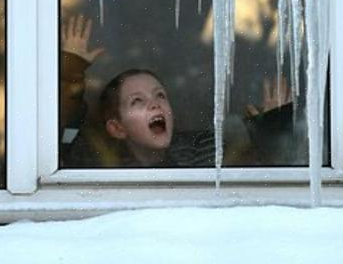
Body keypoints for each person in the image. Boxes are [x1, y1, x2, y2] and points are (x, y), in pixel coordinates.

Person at [60, 15, 301, 168]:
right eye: (137, 101)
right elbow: (61, 138)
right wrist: (71, 73)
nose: (154, 104)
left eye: (160, 95)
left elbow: (259, 175)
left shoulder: (202, 152)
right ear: (117, 128)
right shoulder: (100, 165)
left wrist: (273, 128)